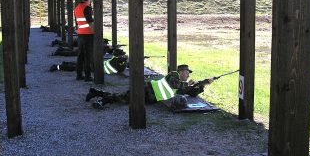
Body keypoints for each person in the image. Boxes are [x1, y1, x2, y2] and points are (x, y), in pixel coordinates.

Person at [86, 64, 214, 109]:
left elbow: (190, 93)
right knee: (123, 98)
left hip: (151, 98)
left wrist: (202, 85)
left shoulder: (180, 82)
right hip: (146, 91)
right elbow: (178, 86)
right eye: (187, 72)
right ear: (181, 72)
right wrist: (188, 84)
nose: (188, 75)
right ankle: (102, 100)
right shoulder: (173, 75)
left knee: (124, 98)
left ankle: (96, 92)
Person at [74, 0, 94, 82]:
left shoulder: (77, 8)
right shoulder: (87, 8)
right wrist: (96, 33)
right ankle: (88, 76)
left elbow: (77, 23)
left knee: (80, 55)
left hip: (80, 34)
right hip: (88, 35)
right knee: (88, 56)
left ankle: (79, 75)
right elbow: (90, 22)